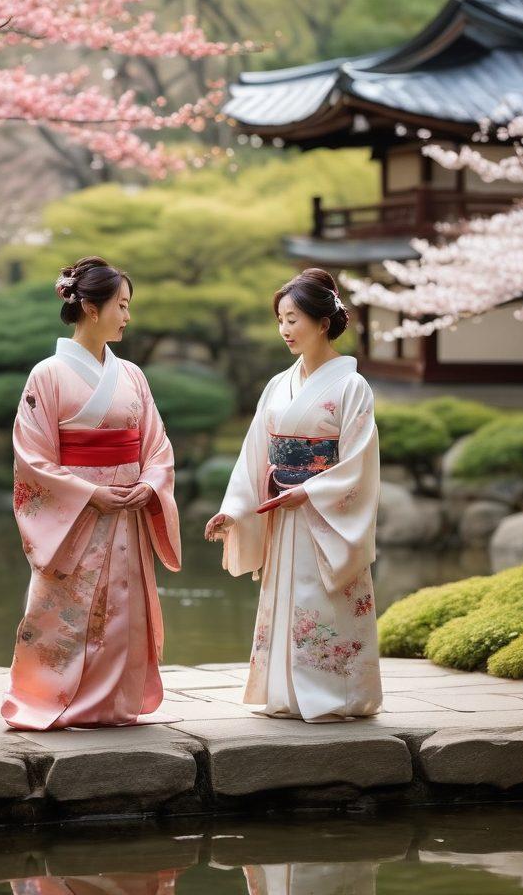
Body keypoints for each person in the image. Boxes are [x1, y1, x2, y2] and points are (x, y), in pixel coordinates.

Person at [1, 256, 181, 730]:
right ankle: (55, 698)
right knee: (68, 610)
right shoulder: (47, 375)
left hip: (126, 509)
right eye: (121, 306)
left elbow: (156, 443)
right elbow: (32, 457)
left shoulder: (132, 376)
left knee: (122, 608)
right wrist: (88, 494)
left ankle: (115, 703)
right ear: (92, 309)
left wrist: (149, 485)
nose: (127, 316)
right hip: (79, 516)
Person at [205, 269, 382, 722]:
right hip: (282, 510)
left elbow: (359, 460)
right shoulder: (277, 385)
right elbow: (255, 453)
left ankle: (336, 694)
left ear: (323, 323)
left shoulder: (351, 386)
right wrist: (233, 510)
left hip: (322, 512)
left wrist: (310, 491)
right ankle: (286, 693)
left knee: (324, 597)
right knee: (288, 596)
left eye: (293, 319)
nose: (284, 330)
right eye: (280, 319)